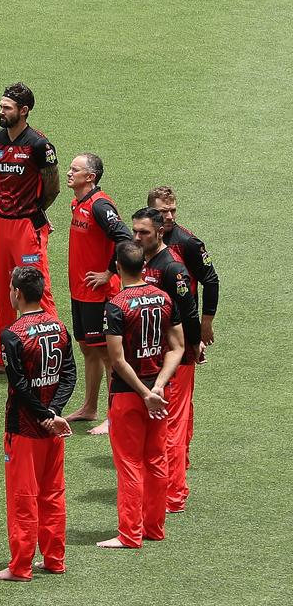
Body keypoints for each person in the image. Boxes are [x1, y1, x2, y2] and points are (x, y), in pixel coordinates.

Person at [0, 266, 76, 582]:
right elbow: (68, 375)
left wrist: (43, 415)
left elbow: (19, 386)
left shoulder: (12, 335)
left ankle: (20, 566)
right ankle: (54, 559)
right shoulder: (59, 327)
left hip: (24, 429)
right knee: (53, 493)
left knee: (23, 497)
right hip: (53, 429)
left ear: (18, 293)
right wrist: (54, 413)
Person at [98, 242, 184, 549]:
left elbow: (118, 360)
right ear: (143, 267)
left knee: (130, 464)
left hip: (128, 395)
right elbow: (178, 347)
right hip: (161, 394)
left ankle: (130, 534)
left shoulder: (116, 305)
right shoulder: (163, 298)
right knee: (157, 460)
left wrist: (146, 392)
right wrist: (158, 386)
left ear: (119, 268)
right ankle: (154, 528)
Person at [0, 83, 59, 376]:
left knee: (38, 290)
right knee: (3, 291)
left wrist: (35, 211)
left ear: (23, 111)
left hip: (26, 226)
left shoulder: (39, 145)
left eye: (7, 108)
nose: (1, 111)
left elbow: (52, 187)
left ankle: (49, 352)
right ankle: (3, 357)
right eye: (0, 106)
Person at [147, 185, 218, 494]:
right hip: (157, 337)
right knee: (177, 408)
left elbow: (211, 281)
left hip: (180, 338)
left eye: (173, 209)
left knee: (174, 412)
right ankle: (178, 463)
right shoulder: (145, 242)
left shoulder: (187, 243)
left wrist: (203, 328)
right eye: (164, 211)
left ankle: (174, 485)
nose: (170, 216)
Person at [130, 208, 201, 514]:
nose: (136, 237)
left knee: (173, 422)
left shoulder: (172, 268)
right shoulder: (143, 261)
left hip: (176, 357)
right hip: (152, 356)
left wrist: (193, 347)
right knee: (166, 423)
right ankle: (165, 488)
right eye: (135, 231)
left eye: (143, 232)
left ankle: (174, 494)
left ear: (159, 232)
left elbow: (189, 311)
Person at [61, 153, 132, 435]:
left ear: (90, 177)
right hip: (81, 292)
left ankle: (114, 415)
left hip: (99, 293)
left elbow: (124, 237)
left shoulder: (101, 205)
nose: (68, 172)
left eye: (74, 169)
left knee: (106, 354)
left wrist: (109, 273)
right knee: (88, 349)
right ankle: (89, 407)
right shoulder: (78, 203)